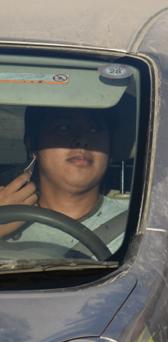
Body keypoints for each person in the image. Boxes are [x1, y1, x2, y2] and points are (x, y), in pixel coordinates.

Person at [0, 106, 128, 253]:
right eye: (64, 128)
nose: (81, 140)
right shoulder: (4, 214)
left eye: (94, 130)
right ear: (32, 144)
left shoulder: (142, 222)